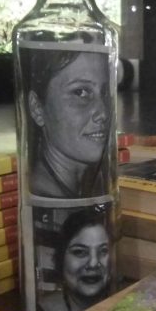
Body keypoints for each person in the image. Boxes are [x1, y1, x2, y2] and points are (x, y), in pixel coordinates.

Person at [24, 48, 112, 199]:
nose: (103, 113)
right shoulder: (43, 193)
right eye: (80, 92)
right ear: (37, 108)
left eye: (105, 92)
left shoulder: (92, 184)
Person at [37, 210, 112, 311]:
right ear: (61, 259)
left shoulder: (127, 304)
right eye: (80, 252)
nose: (93, 263)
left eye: (103, 251)